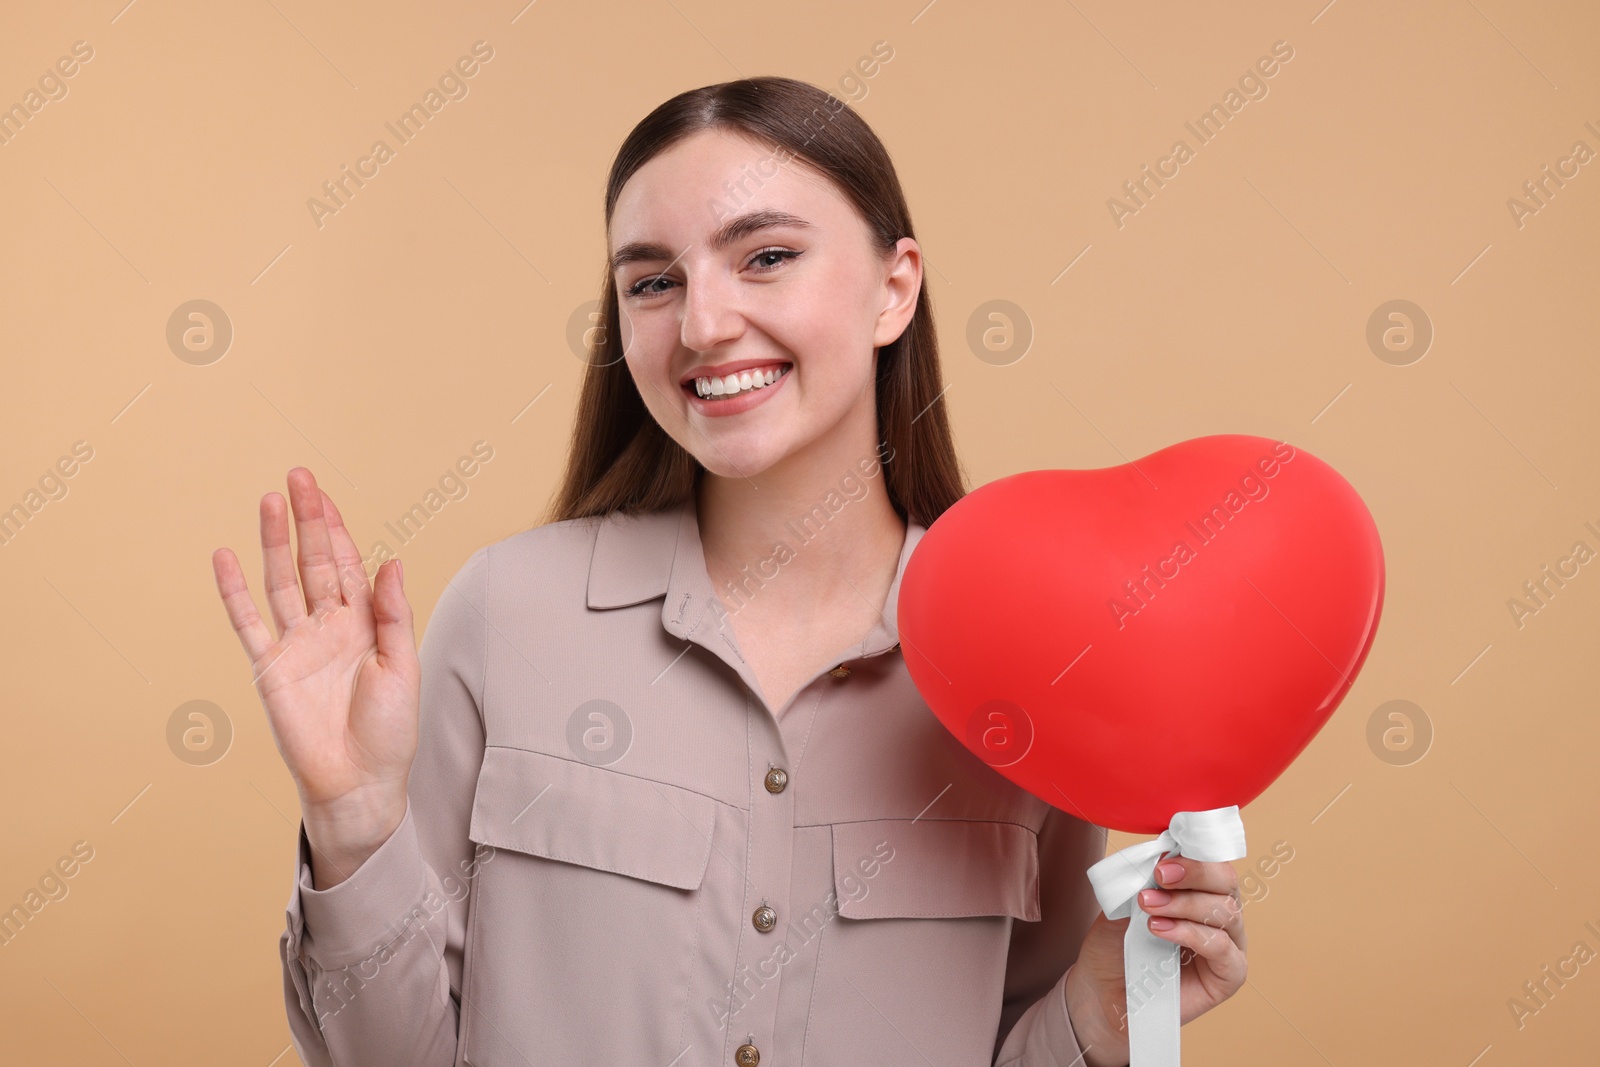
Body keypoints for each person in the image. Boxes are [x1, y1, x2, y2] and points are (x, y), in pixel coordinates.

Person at [212, 75, 1246, 1067]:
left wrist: (1104, 1012)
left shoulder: (1021, 659)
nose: (702, 325)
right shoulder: (507, 613)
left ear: (895, 289)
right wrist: (351, 825)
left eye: (764, 257)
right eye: (653, 281)